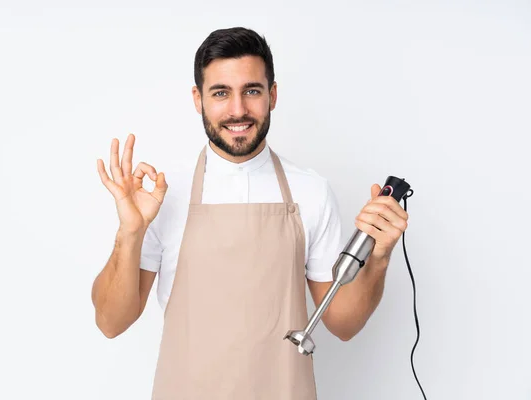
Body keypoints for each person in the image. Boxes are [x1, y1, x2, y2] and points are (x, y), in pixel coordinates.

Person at [91, 27, 409, 400]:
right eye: (221, 93)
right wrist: (130, 232)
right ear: (198, 99)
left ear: (272, 95)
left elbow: (343, 323)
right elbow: (111, 322)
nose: (238, 110)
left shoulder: (311, 191)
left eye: (252, 91)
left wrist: (380, 258)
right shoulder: (162, 194)